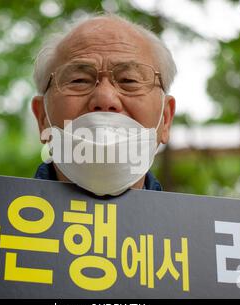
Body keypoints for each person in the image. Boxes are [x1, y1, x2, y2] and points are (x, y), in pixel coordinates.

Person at [31, 13, 176, 196]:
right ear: (42, 117)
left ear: (166, 119)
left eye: (129, 80)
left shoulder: (196, 225)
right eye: (79, 80)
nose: (105, 99)